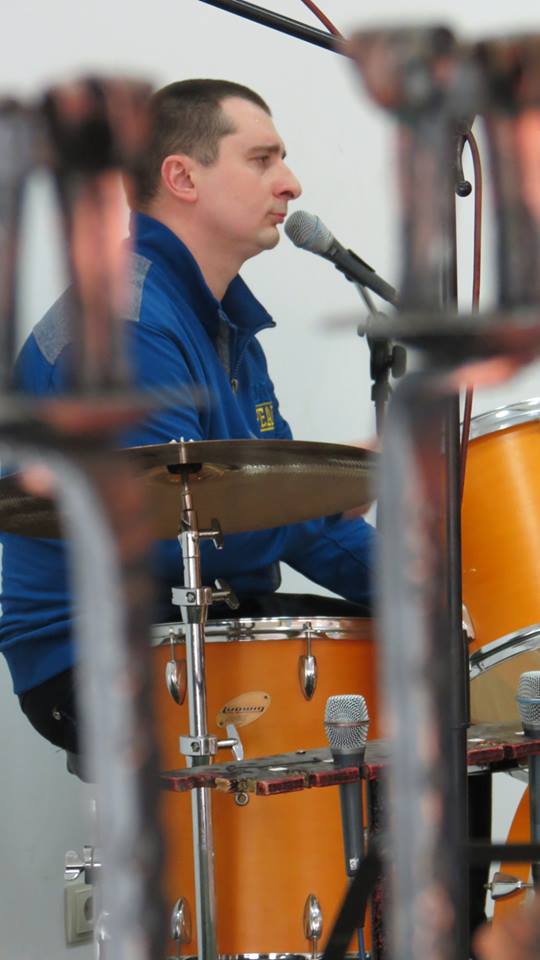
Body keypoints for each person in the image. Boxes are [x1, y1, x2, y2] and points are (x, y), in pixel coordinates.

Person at [0, 79, 376, 760]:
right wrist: (321, 494)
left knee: (428, 648)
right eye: (262, 159)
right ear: (182, 177)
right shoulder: (125, 325)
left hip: (199, 622)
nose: (290, 184)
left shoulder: (227, 324)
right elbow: (179, 536)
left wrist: (431, 588)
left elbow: (298, 521)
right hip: (99, 655)